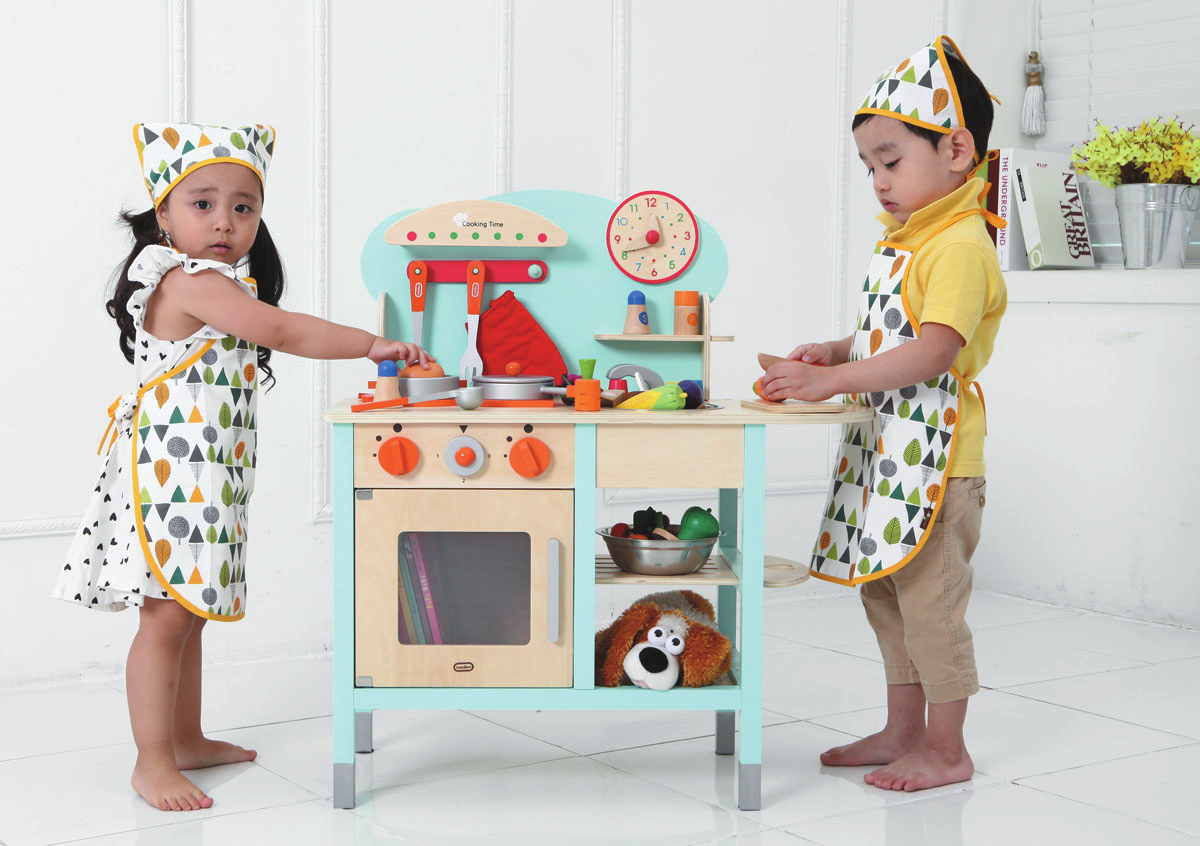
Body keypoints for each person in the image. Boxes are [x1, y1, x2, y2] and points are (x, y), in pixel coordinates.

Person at [53, 123, 433, 812]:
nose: (224, 221)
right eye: (202, 204)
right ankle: (151, 761)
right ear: (164, 215)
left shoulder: (222, 282)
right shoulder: (190, 280)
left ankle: (186, 738)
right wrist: (370, 344)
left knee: (189, 613)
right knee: (165, 618)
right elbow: (280, 330)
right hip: (171, 479)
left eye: (243, 207)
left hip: (205, 475)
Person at [760, 36, 1006, 792]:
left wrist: (832, 381)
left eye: (890, 160)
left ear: (957, 149)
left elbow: (933, 351)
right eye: (869, 166)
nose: (878, 181)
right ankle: (903, 732)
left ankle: (948, 749)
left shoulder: (958, 245)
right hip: (891, 457)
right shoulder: (910, 242)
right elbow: (890, 335)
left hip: (938, 466)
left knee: (932, 610)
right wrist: (835, 350)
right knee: (888, 595)